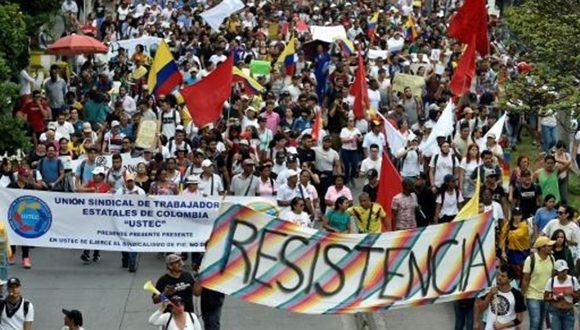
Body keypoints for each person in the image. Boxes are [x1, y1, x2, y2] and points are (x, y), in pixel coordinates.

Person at [474, 265, 525, 330]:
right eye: (498, 275)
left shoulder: (517, 294)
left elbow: (519, 318)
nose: (499, 278)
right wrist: (490, 294)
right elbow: (481, 308)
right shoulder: (491, 290)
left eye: (503, 276)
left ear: (510, 279)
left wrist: (502, 326)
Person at [522, 236, 555, 330]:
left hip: (546, 296)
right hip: (532, 295)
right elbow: (525, 279)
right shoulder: (530, 260)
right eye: (548, 246)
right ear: (542, 247)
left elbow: (552, 277)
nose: (551, 247)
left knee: (541, 322)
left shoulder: (552, 258)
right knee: (535, 320)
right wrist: (522, 295)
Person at [115, 172, 145, 272]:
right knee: (124, 241)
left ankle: (132, 262)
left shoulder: (140, 192)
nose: (130, 183)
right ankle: (125, 259)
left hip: (136, 221)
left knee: (134, 241)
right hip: (123, 221)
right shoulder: (120, 191)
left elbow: (144, 206)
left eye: (131, 181)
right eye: (128, 181)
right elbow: (115, 204)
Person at [543, 259, 579, 330]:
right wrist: (555, 297)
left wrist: (571, 293)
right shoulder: (551, 281)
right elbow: (545, 297)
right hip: (555, 311)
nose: (564, 273)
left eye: (565, 270)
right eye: (561, 271)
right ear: (556, 271)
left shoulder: (573, 280)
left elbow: (578, 296)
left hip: (568, 311)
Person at [499, 207, 531, 282]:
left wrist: (509, 232)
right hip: (512, 252)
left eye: (519, 215)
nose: (517, 217)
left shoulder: (524, 225)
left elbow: (517, 235)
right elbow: (503, 239)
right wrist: (503, 252)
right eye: (515, 215)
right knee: (512, 271)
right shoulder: (507, 225)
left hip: (523, 252)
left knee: (522, 270)